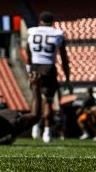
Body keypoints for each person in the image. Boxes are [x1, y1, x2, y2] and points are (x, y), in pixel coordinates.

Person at [25, 11, 71, 143]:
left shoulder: (32, 31)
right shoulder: (58, 34)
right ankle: (47, 131)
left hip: (35, 67)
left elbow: (28, 51)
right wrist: (67, 77)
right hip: (49, 67)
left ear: (40, 21)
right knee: (48, 102)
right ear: (52, 22)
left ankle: (35, 126)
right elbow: (64, 58)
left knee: (35, 97)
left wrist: (29, 68)